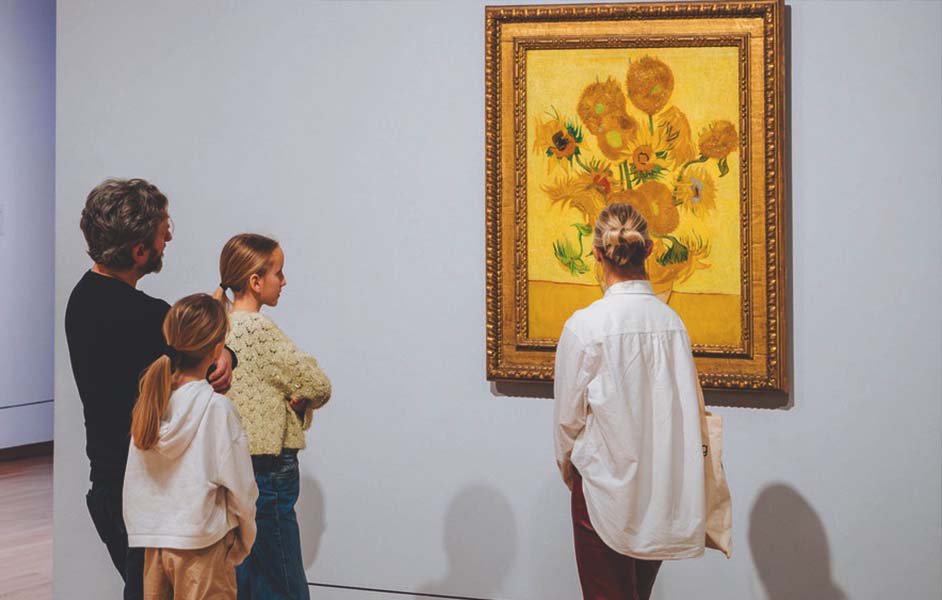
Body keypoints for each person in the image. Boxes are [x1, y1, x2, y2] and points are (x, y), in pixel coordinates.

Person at [65, 178, 236, 600]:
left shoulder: (81, 298)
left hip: (109, 487)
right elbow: (197, 355)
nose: (170, 236)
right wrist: (227, 352)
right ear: (138, 251)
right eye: (163, 231)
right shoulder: (145, 318)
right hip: (146, 496)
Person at [553, 203, 706, 600]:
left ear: (597, 254)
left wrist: (571, 473)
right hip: (658, 491)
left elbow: (567, 425)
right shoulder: (673, 325)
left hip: (602, 490)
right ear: (650, 249)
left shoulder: (585, 326)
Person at [213, 233, 332, 600]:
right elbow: (318, 384)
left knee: (244, 568)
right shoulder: (260, 331)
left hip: (231, 466)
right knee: (282, 572)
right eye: (278, 273)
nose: (284, 281)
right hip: (269, 468)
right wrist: (297, 400)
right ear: (255, 281)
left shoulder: (219, 328)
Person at [123, 294, 258, 599]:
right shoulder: (217, 409)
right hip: (203, 547)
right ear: (216, 348)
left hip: (155, 547)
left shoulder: (151, 404)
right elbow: (242, 488)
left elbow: (136, 482)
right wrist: (244, 540)